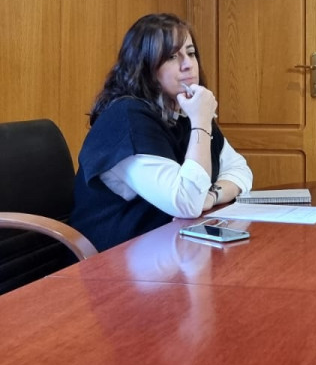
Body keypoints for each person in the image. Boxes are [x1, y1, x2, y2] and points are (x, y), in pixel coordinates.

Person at [69, 13, 253, 250]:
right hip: (112, 263)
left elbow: (239, 170)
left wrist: (212, 196)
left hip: (165, 249)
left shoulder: (184, 110)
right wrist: (201, 122)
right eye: (172, 56)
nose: (188, 64)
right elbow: (187, 202)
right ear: (145, 66)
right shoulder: (127, 117)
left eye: (191, 53)